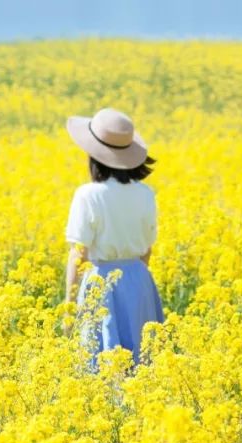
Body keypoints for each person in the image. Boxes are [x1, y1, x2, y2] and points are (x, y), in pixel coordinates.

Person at [64, 107, 165, 373]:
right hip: (139, 281)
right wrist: (135, 279)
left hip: (101, 283)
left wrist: (69, 308)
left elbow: (79, 255)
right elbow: (146, 250)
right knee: (141, 366)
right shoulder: (146, 193)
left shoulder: (88, 195)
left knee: (103, 368)